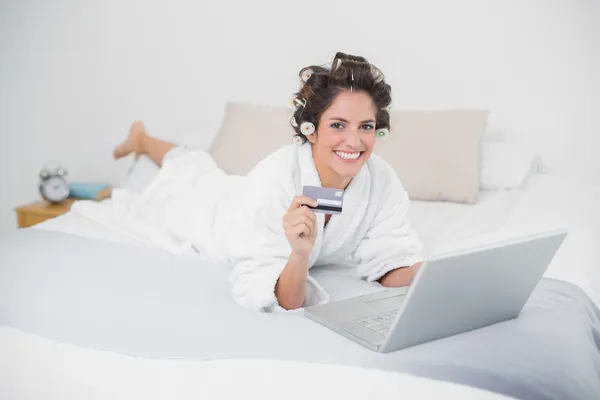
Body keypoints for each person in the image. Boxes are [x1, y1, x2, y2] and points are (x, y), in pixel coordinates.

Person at [113, 52, 424, 311]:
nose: (354, 142)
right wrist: (299, 255)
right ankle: (141, 139)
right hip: (217, 215)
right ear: (310, 130)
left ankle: (142, 139)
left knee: (199, 168)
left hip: (240, 191)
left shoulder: (381, 179)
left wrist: (426, 278)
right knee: (189, 175)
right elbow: (282, 298)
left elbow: (389, 260)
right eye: (338, 125)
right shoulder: (276, 176)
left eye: (366, 126)